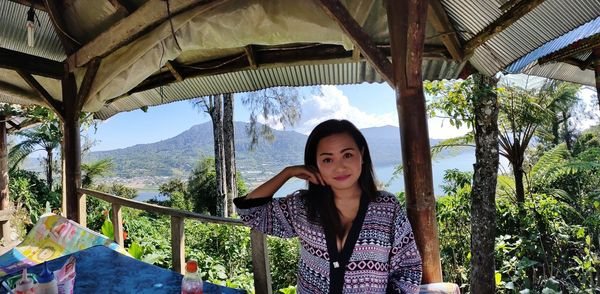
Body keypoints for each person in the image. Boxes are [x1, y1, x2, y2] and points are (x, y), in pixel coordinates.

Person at [234, 119, 422, 293]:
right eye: (327, 159)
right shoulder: (302, 207)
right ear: (315, 164)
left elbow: (408, 268)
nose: (339, 167)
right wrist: (287, 172)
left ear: (362, 155)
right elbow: (251, 212)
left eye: (347, 155)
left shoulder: (387, 208)